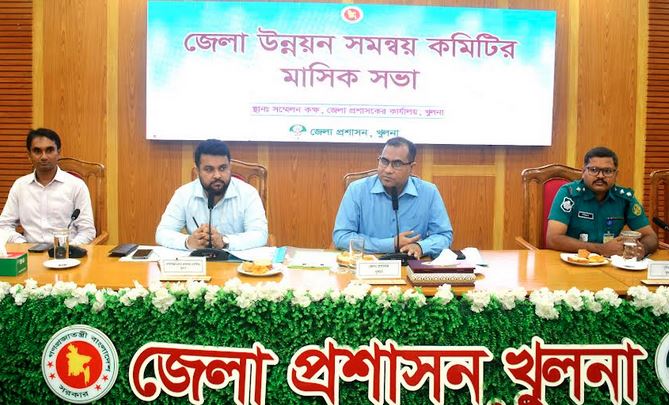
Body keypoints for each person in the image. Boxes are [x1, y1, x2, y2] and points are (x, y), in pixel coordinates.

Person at [332, 137, 453, 258]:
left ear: (411, 167)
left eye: (397, 164)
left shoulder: (429, 192)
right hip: (369, 263)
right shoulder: (357, 190)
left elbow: (444, 236)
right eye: (384, 161)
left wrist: (421, 247)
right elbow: (341, 236)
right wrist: (391, 244)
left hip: (411, 262)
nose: (388, 170)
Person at [156, 139, 268, 251]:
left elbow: (260, 234)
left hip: (236, 260)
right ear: (197, 171)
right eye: (209, 169)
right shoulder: (184, 194)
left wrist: (225, 241)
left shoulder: (248, 193)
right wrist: (188, 242)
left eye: (222, 168)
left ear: (230, 167)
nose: (217, 175)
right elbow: (162, 233)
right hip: (199, 260)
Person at [546, 146, 658, 258]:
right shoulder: (569, 194)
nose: (600, 176)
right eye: (594, 170)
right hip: (573, 261)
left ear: (616, 174)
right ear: (583, 172)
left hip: (611, 263)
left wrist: (643, 249)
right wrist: (600, 249)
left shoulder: (624, 198)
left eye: (607, 171)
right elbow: (553, 239)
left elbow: (650, 236)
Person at [0, 128, 96, 244]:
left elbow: (87, 231)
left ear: (58, 153)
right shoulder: (20, 186)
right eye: (37, 151)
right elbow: (4, 225)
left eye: (49, 150)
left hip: (67, 252)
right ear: (29, 155)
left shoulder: (77, 186)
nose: (44, 157)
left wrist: (66, 249)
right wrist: (22, 244)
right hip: (30, 251)